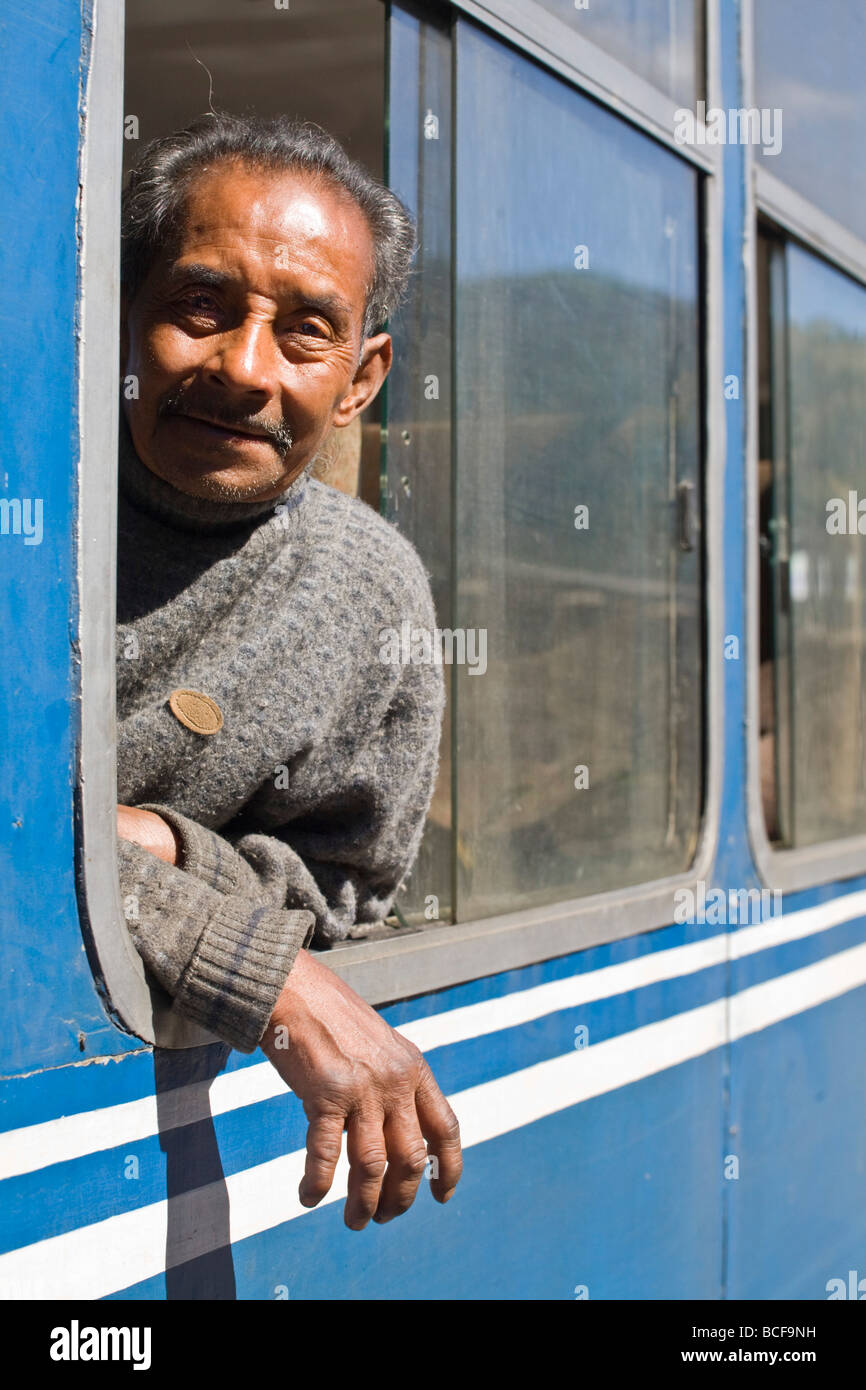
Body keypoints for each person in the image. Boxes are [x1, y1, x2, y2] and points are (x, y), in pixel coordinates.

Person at [114, 113, 462, 1230]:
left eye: (305, 332)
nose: (243, 370)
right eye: (201, 307)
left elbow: (333, 893)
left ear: (361, 379)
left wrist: (160, 843)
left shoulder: (370, 595)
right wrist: (256, 974)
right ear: (118, 311)